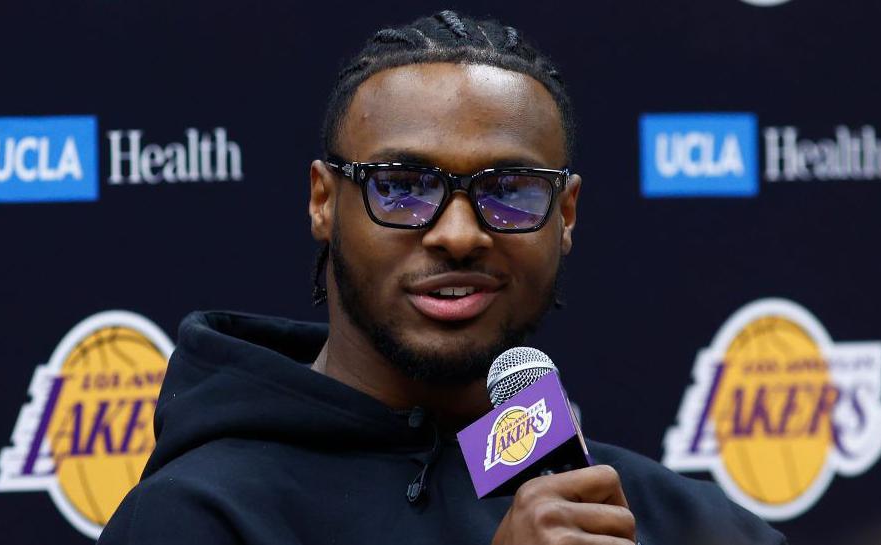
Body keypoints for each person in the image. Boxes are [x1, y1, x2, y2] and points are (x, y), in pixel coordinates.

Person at [99, 10, 786, 545]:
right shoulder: (197, 514)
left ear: (566, 212)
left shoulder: (663, 516)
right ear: (321, 202)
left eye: (509, 188)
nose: (458, 233)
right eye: (401, 186)